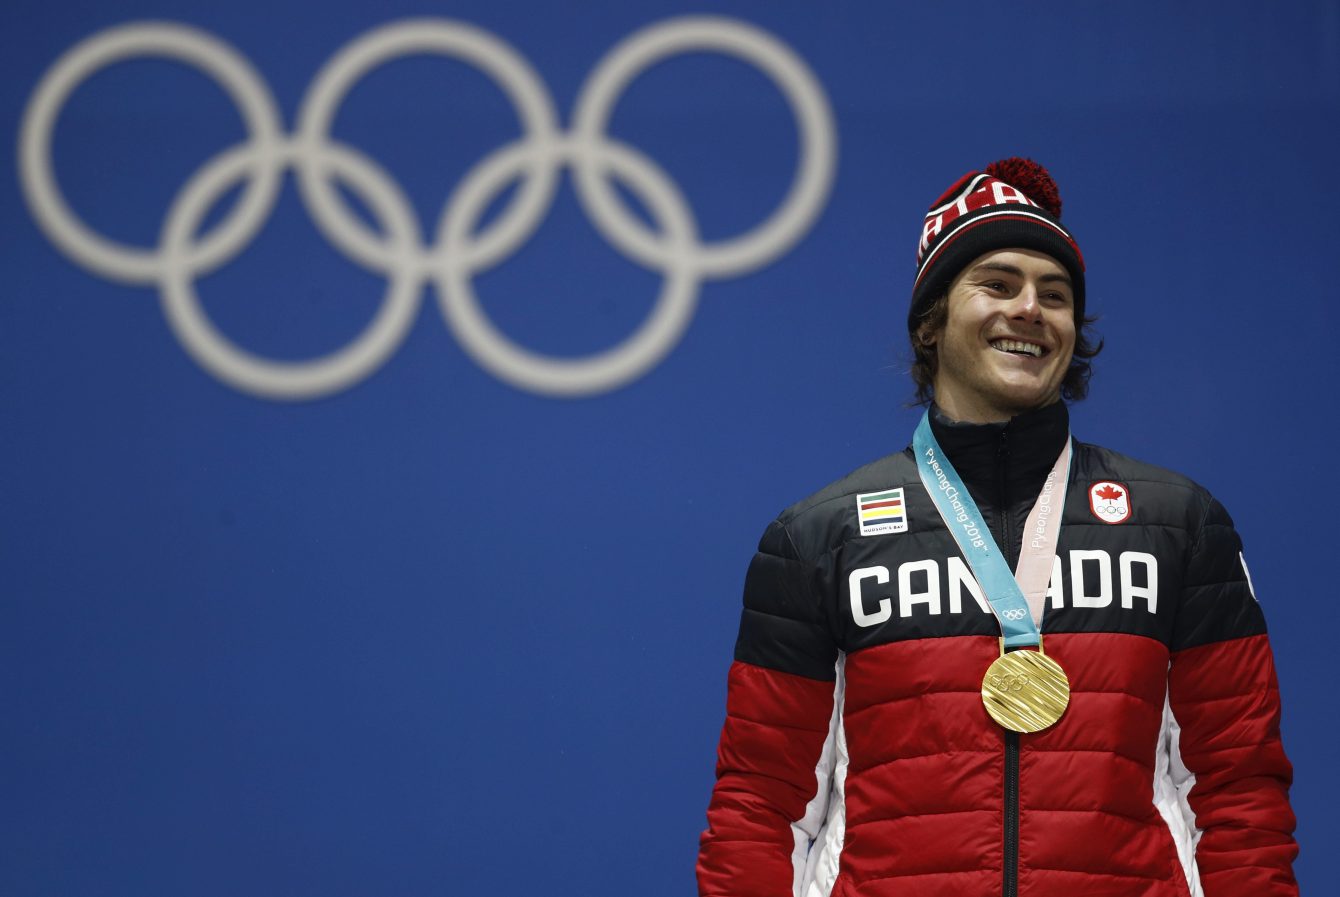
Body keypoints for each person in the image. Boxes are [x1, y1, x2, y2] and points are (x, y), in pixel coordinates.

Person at [696, 159, 1297, 897]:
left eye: (1055, 294)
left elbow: (1239, 790)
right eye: (998, 284)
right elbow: (761, 804)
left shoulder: (1177, 524)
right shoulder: (820, 538)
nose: (1030, 309)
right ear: (932, 321)